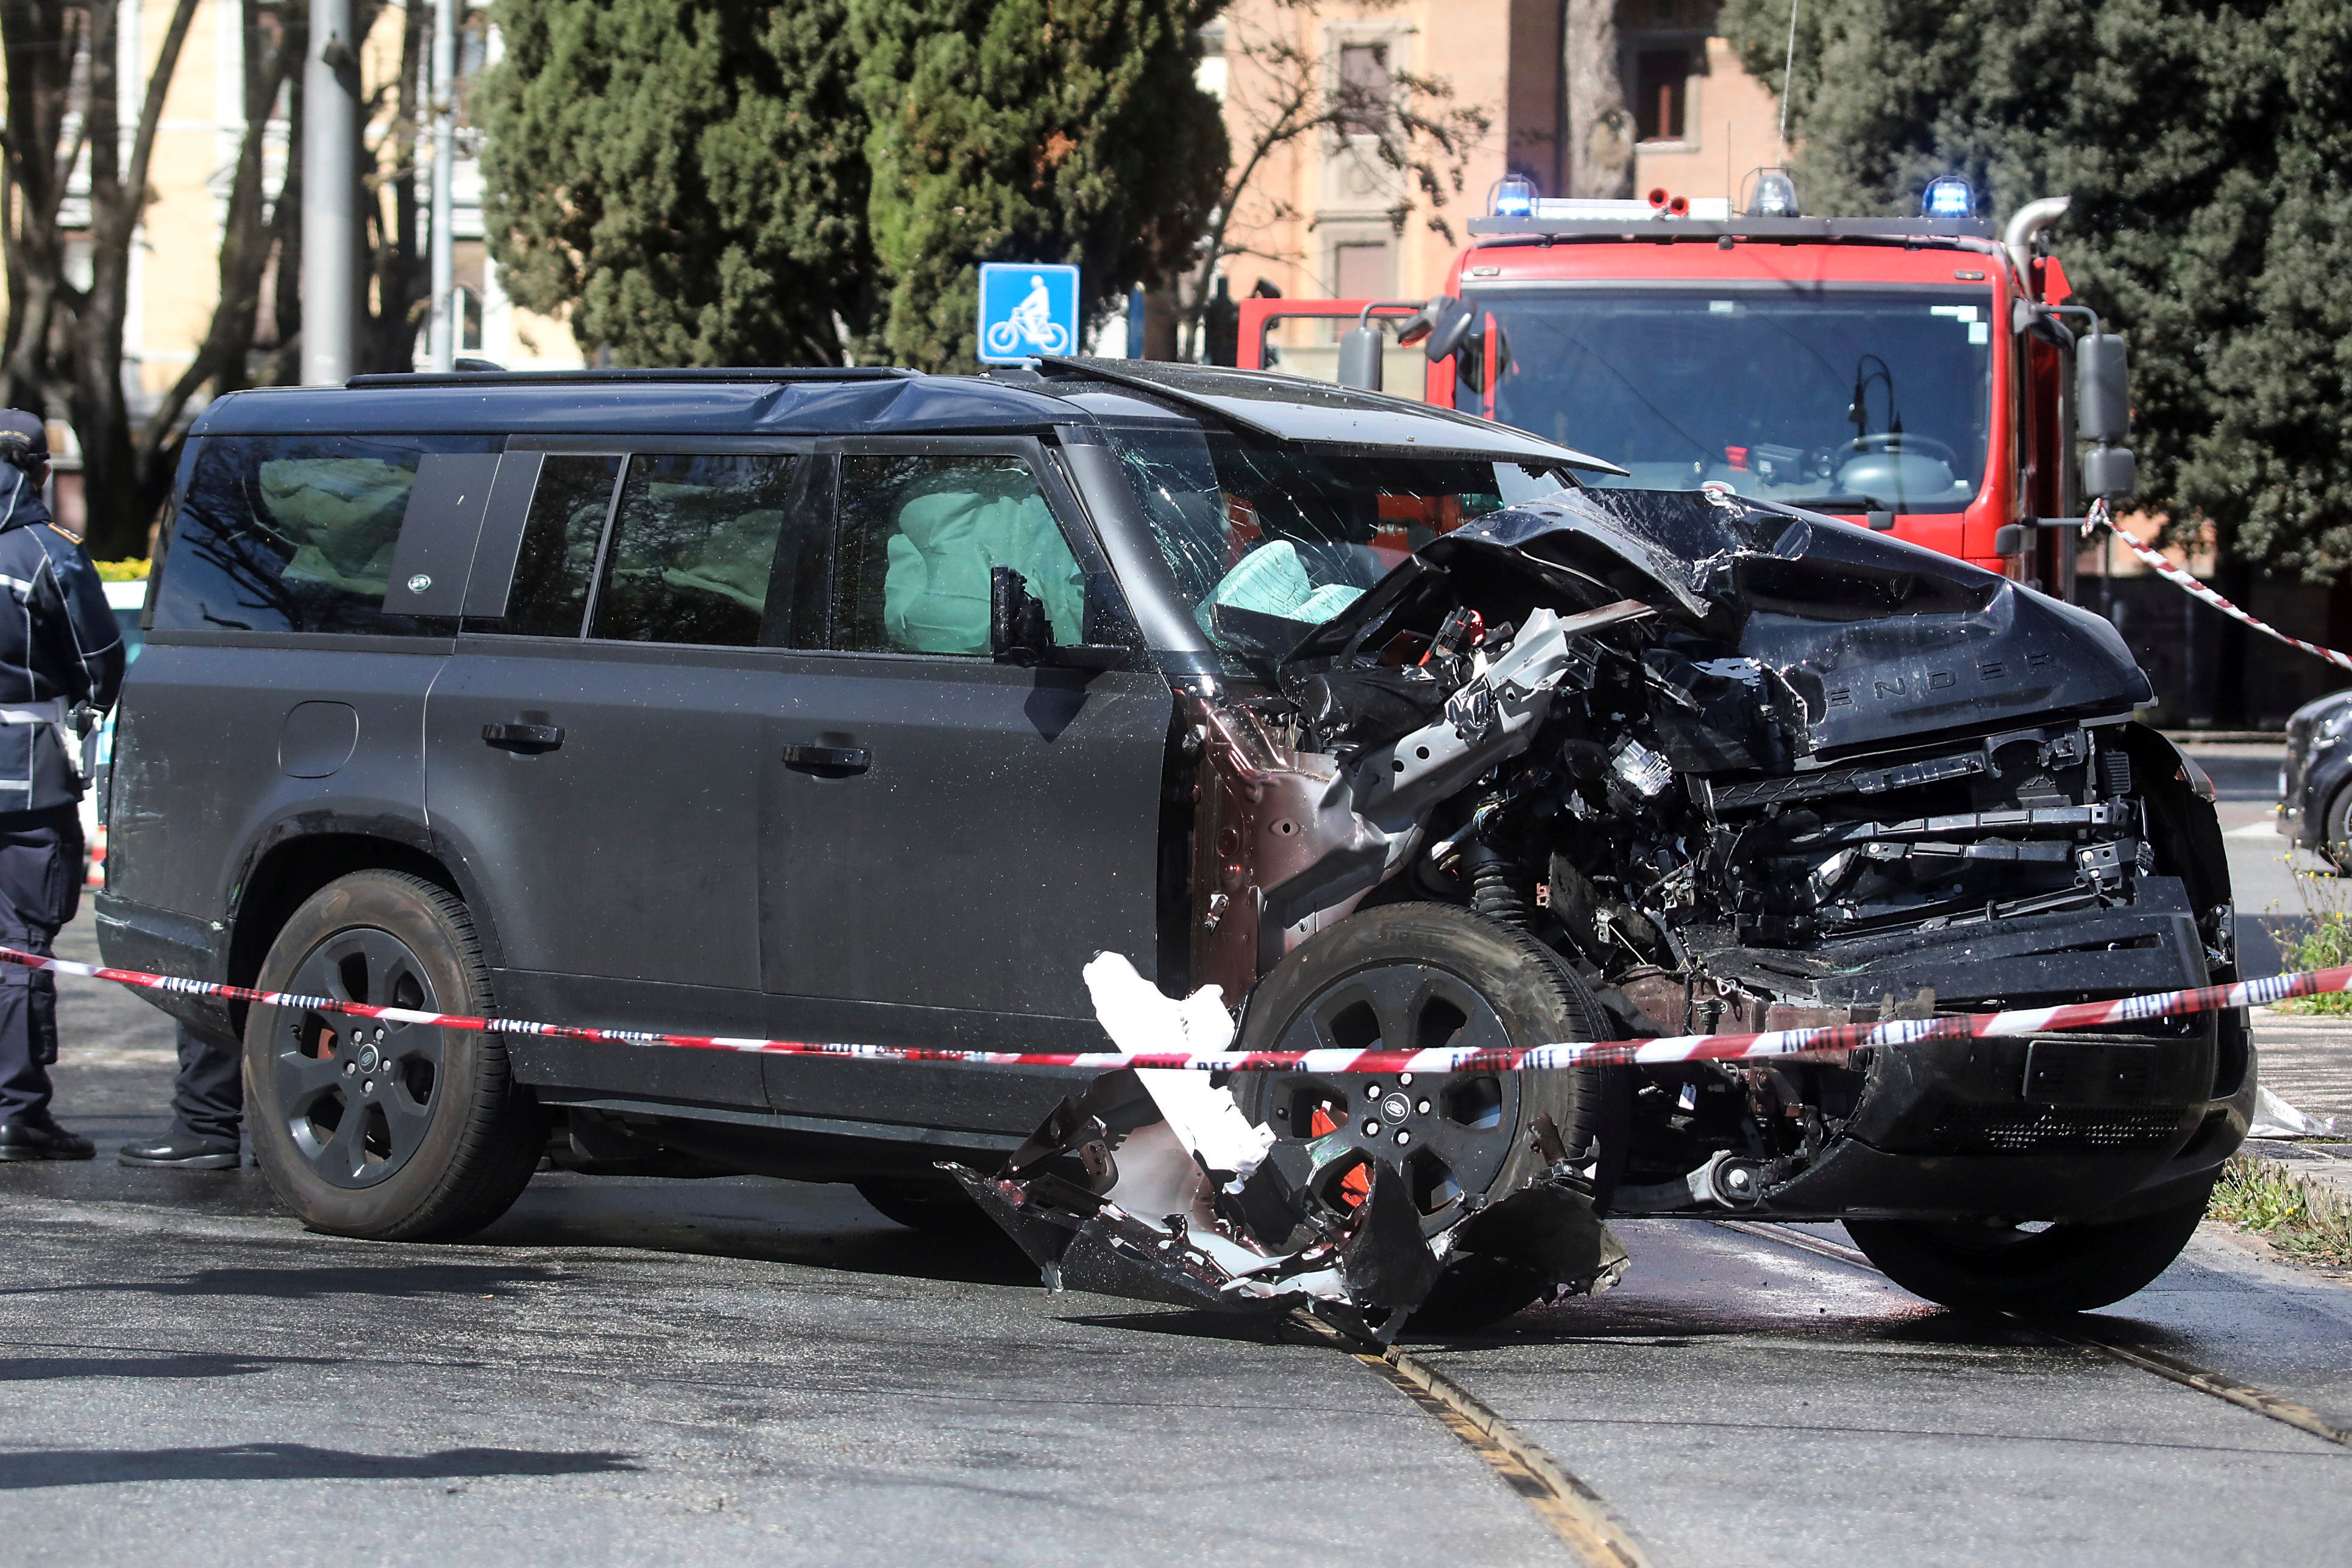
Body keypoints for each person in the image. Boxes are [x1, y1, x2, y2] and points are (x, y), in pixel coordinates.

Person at [0, 410, 126, 1162]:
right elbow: (101, 663)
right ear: (40, 471)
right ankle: (17, 1110)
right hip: (25, 777)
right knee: (20, 946)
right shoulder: (47, 553)